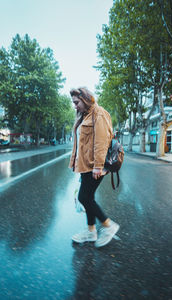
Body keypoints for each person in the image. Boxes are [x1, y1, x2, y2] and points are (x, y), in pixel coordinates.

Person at [69, 87, 119, 248]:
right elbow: (80, 144)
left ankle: (108, 225)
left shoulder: (99, 113)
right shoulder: (83, 116)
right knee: (88, 197)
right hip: (85, 166)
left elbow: (101, 141)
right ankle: (91, 231)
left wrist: (98, 167)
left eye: (76, 102)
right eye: (73, 103)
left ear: (85, 99)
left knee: (84, 197)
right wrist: (74, 163)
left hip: (95, 166)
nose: (75, 106)